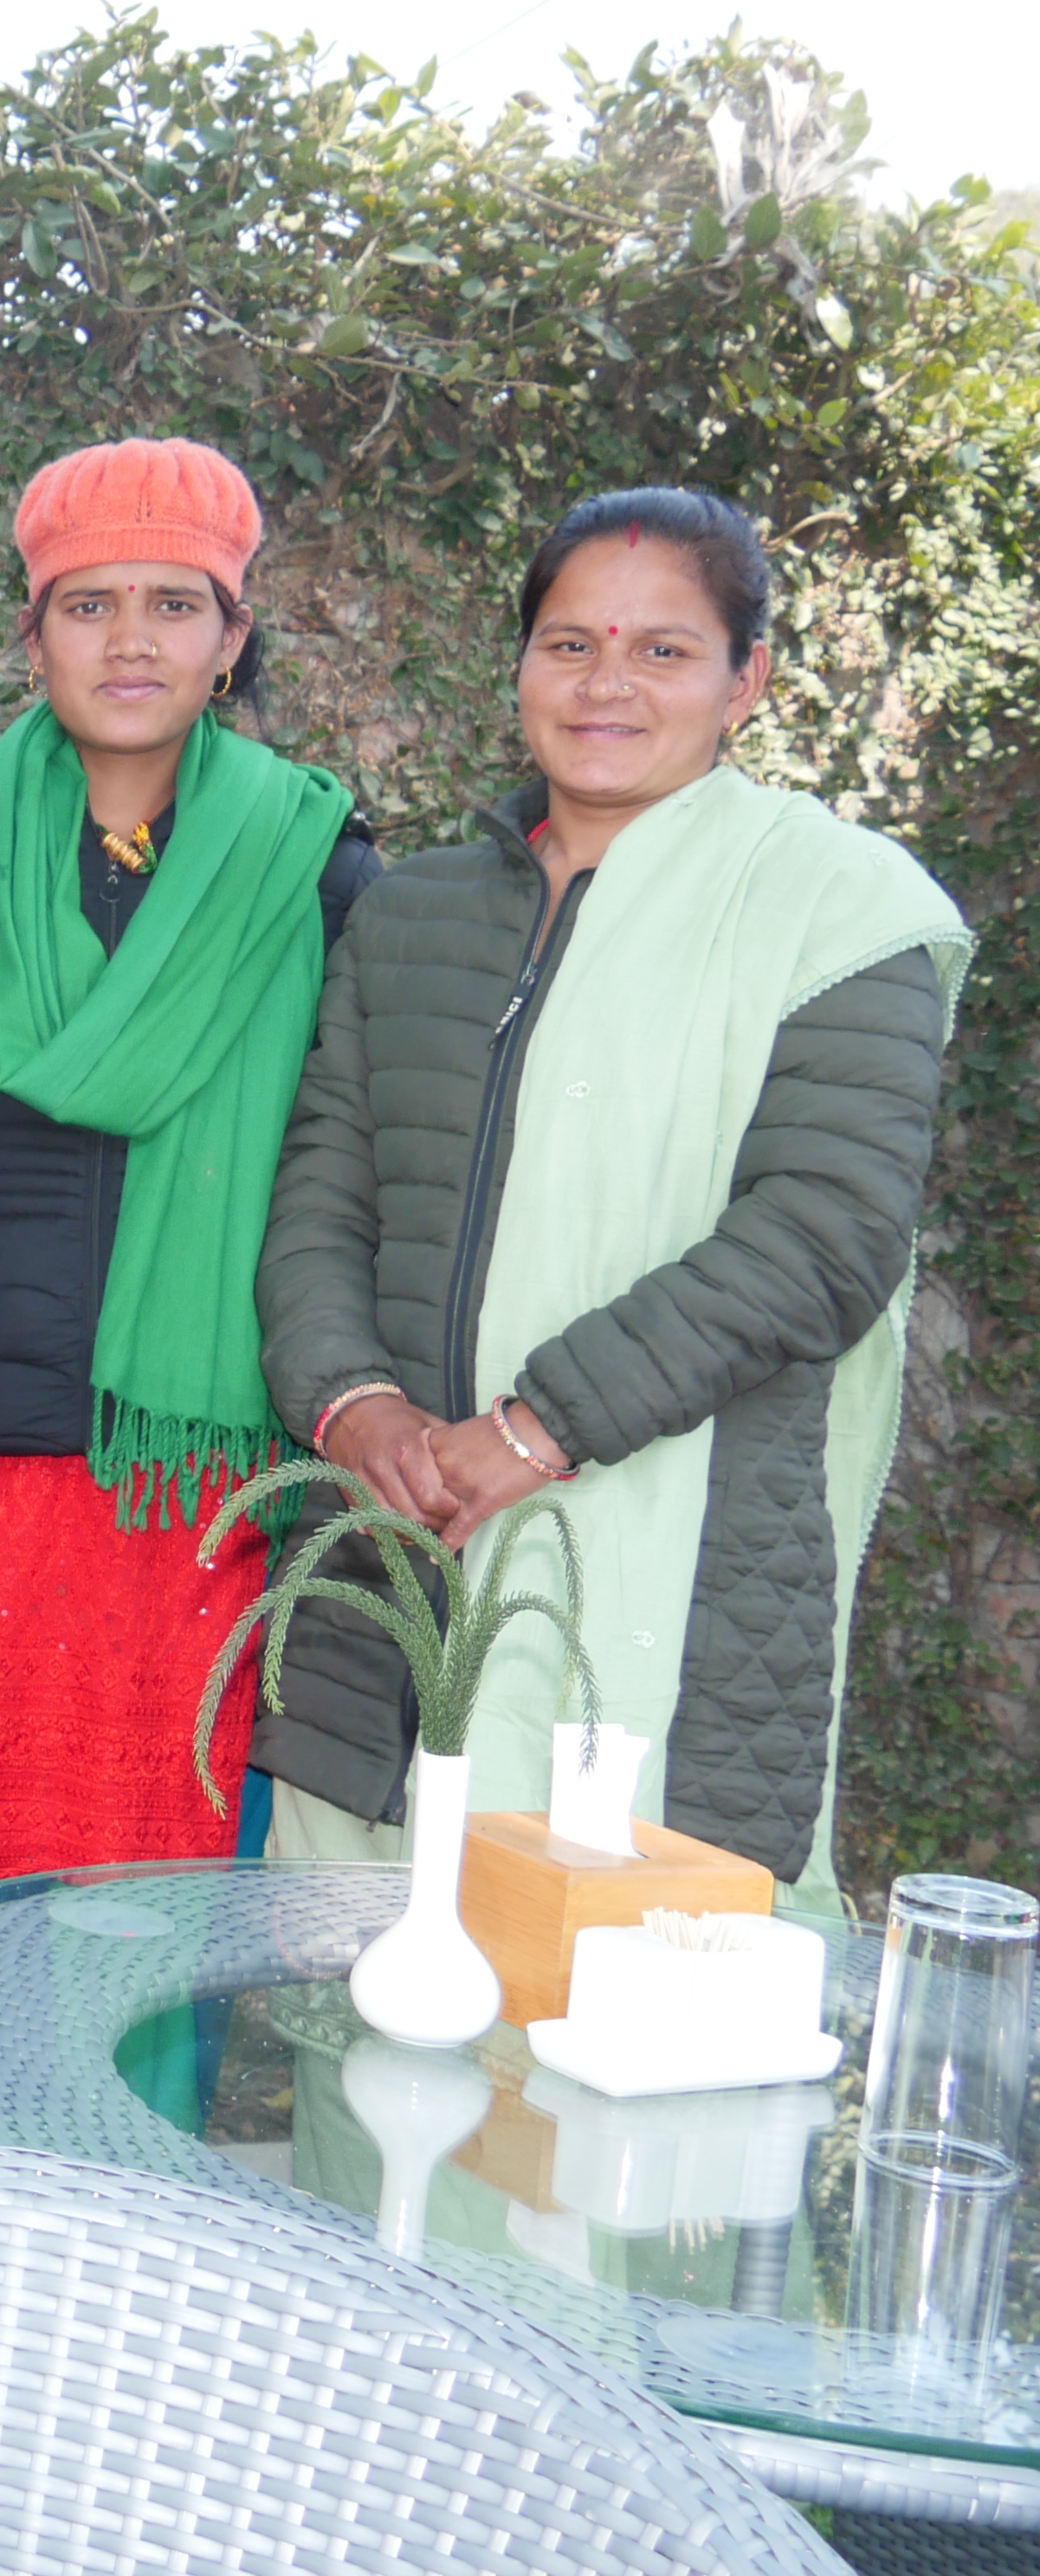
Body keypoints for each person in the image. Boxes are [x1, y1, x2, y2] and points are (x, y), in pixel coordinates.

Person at [253, 486, 963, 1892]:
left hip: (667, 1549)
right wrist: (356, 1403)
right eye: (569, 643)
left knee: (618, 2014)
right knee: (359, 2002)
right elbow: (324, 1189)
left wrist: (535, 1428)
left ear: (745, 679)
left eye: (662, 650)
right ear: (518, 663)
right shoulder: (415, 913)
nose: (606, 685)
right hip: (397, 1538)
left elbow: (824, 1235)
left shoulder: (844, 907)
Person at [0, 440, 374, 2129]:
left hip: (184, 1507)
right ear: (32, 633)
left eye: (173, 605)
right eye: (88, 604)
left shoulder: (315, 872)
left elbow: (347, 1184)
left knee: (128, 1932)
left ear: (232, 634)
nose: (131, 641)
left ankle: (97, 2321)